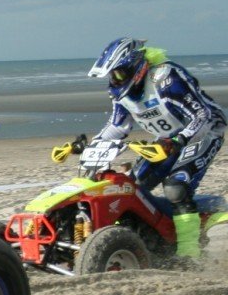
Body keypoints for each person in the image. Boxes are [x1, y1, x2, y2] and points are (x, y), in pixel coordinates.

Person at [88, 37, 225, 259]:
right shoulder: (120, 95)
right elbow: (117, 127)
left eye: (119, 73)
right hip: (167, 140)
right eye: (112, 75)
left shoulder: (166, 79)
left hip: (205, 132)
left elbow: (202, 115)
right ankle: (154, 241)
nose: (115, 80)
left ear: (136, 65)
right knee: (133, 187)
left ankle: (189, 254)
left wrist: (180, 139)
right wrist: (91, 146)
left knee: (176, 187)